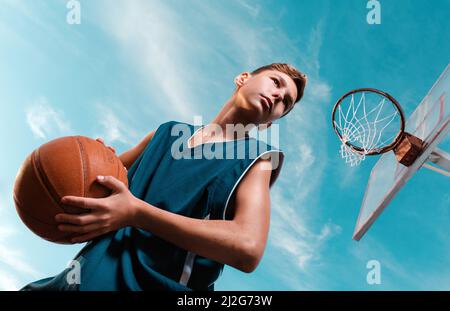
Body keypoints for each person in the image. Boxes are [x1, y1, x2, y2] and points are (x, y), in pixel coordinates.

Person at [21, 63, 307, 291]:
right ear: (243, 78)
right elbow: (92, 192)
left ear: (271, 122)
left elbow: (247, 247)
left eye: (286, 102)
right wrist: (96, 162)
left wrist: (136, 213)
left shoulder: (257, 158)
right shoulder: (165, 134)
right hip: (86, 276)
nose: (278, 96)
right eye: (276, 82)